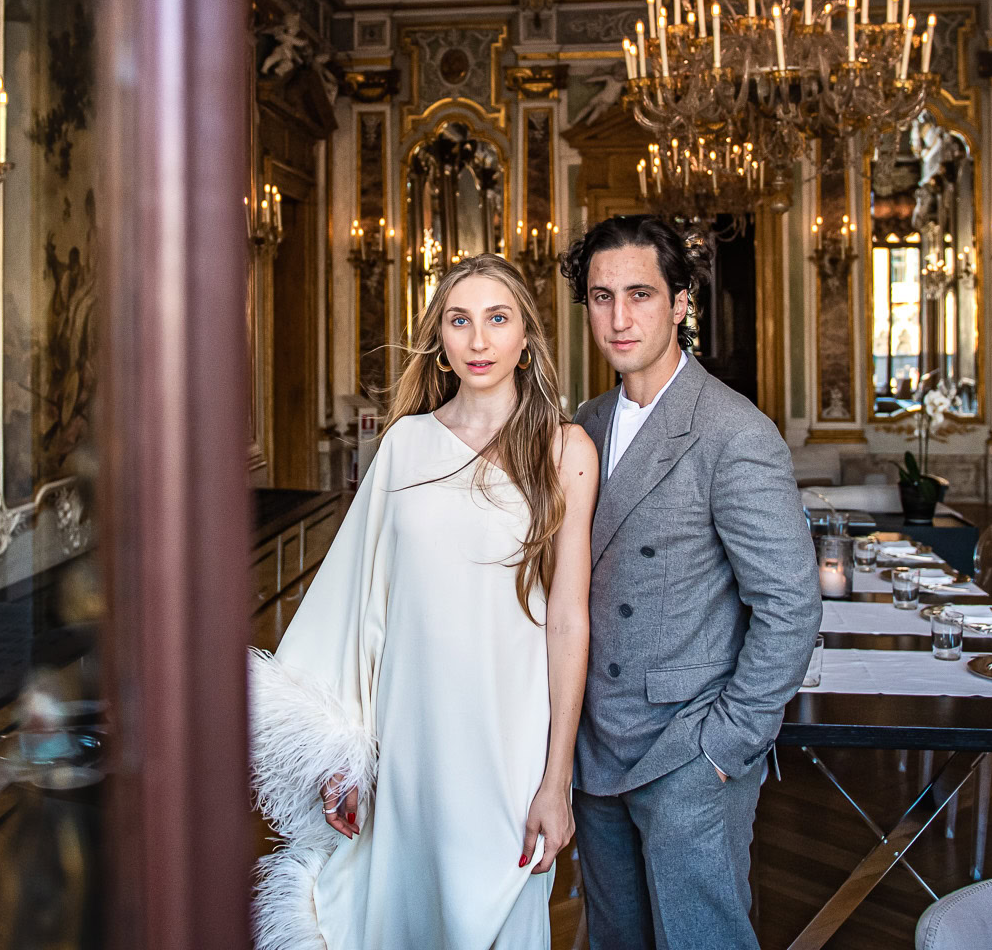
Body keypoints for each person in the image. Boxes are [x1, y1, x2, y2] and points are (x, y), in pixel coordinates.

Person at [250, 254, 599, 949]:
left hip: (509, 742)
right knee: (402, 919)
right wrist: (344, 758)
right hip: (409, 743)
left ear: (526, 338)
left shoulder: (567, 451)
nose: (479, 340)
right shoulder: (405, 446)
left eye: (497, 319)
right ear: (439, 337)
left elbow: (567, 621)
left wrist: (555, 780)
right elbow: (358, 608)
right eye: (459, 321)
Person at [561, 215, 818, 949]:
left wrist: (724, 747)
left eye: (640, 295)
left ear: (680, 304)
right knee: (617, 939)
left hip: (687, 751)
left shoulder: (733, 431)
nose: (619, 318)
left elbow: (790, 606)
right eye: (602, 297)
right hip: (596, 744)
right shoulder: (585, 424)